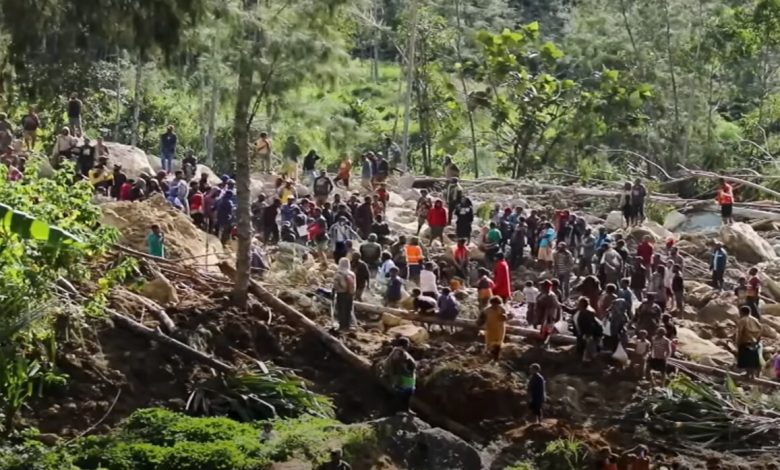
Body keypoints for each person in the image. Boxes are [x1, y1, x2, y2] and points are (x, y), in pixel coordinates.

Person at [383, 336, 416, 412]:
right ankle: (400, 410)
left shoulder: (400, 352)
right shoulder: (398, 352)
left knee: (407, 393)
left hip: (405, 376)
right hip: (403, 377)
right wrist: (404, 371)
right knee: (403, 393)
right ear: (405, 344)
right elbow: (398, 363)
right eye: (408, 344)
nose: (408, 346)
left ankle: (405, 409)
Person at [735, 305, 762, 379]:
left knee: (745, 359)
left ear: (742, 312)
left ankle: (747, 374)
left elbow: (740, 332)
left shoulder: (742, 320)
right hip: (754, 342)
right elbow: (760, 330)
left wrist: (738, 342)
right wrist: (757, 341)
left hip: (745, 341)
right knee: (752, 359)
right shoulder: (755, 320)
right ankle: (752, 375)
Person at [479, 296, 508, 361]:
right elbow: (481, 319)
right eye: (494, 304)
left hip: (499, 329)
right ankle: (489, 356)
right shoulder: (486, 310)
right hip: (490, 328)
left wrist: (504, 316)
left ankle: (496, 358)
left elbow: (506, 316)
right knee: (489, 343)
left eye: (497, 304)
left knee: (498, 343)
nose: (495, 306)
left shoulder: (501, 309)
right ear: (491, 303)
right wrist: (480, 322)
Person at [332, 258, 357, 331]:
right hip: (350, 294)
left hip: (341, 294)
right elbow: (354, 285)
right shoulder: (352, 274)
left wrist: (334, 291)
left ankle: (342, 326)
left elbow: (335, 285)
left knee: (341, 310)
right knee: (348, 309)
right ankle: (348, 325)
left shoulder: (338, 273)